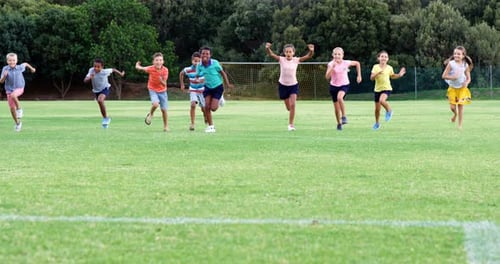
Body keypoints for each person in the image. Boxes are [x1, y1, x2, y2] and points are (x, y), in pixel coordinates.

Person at [265, 42, 314, 131]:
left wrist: (311, 51)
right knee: (288, 107)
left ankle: (291, 125)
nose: (288, 53)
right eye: (287, 52)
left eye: (290, 52)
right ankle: (291, 112)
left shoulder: (296, 60)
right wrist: (267, 48)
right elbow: (271, 54)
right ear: (284, 53)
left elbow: (308, 56)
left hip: (293, 85)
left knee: (293, 105)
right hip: (283, 85)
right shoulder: (281, 59)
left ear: (293, 53)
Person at [196, 46, 232, 133]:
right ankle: (211, 126)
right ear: (200, 55)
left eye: (207, 54)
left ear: (210, 55)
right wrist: (198, 80)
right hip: (207, 87)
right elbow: (197, 76)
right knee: (206, 106)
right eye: (203, 53)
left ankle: (220, 99)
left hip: (217, 87)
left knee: (213, 108)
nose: (205, 55)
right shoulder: (199, 65)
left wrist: (227, 84)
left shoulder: (215, 63)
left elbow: (223, 73)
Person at [325, 47, 362, 130]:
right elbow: (327, 77)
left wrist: (359, 75)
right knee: (336, 108)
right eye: (335, 54)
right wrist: (332, 68)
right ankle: (339, 124)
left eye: (339, 54)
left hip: (344, 85)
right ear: (332, 55)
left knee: (340, 97)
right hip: (333, 86)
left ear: (342, 55)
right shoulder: (331, 64)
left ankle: (344, 116)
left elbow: (357, 63)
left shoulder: (346, 63)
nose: (337, 56)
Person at [84, 58, 125, 128]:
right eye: (95, 66)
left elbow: (113, 69)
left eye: (98, 67)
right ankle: (105, 119)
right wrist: (89, 78)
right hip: (96, 91)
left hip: (105, 88)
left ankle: (106, 119)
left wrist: (121, 74)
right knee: (100, 104)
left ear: (102, 67)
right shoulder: (91, 70)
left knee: (100, 100)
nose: (96, 68)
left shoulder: (105, 71)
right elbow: (85, 80)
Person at [370, 50, 405, 130]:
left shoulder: (389, 68)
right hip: (377, 90)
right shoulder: (375, 67)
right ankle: (377, 123)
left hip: (387, 89)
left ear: (387, 59)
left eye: (385, 57)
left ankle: (389, 111)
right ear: (378, 58)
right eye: (382, 56)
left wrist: (399, 75)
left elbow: (392, 76)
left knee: (382, 100)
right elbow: (371, 78)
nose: (383, 58)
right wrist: (377, 73)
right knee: (377, 110)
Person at [0, 53, 36, 132]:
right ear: (7, 61)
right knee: (12, 109)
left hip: (20, 88)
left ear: (16, 61)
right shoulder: (5, 69)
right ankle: (18, 123)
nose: (12, 62)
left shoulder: (19, 67)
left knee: (13, 95)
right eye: (10, 60)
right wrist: (4, 76)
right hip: (9, 90)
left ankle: (19, 109)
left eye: (13, 60)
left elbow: (26, 64)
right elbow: (1, 81)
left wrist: (32, 68)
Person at [135, 52, 170, 132]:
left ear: (163, 62)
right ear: (153, 62)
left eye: (160, 60)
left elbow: (164, 83)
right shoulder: (151, 68)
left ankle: (166, 126)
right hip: (152, 89)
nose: (158, 62)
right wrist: (137, 65)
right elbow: (141, 68)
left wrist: (161, 80)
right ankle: (151, 114)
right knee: (155, 104)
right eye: (156, 60)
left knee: (164, 110)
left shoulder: (165, 70)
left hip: (163, 91)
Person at [441, 46, 473, 130]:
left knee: (460, 106)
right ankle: (455, 114)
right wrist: (453, 77)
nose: (456, 55)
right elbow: (443, 76)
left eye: (458, 54)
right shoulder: (451, 64)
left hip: (462, 89)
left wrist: (466, 83)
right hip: (452, 88)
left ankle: (460, 125)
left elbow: (469, 78)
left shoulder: (465, 65)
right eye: (455, 53)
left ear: (463, 55)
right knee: (452, 107)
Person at [180, 52, 207, 131]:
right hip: (193, 89)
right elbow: (181, 74)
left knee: (204, 108)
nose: (197, 63)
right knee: (193, 105)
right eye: (195, 61)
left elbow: (207, 77)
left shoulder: (204, 69)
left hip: (202, 90)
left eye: (199, 61)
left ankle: (205, 116)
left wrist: (200, 80)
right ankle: (192, 123)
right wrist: (182, 84)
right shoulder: (188, 69)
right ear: (192, 61)